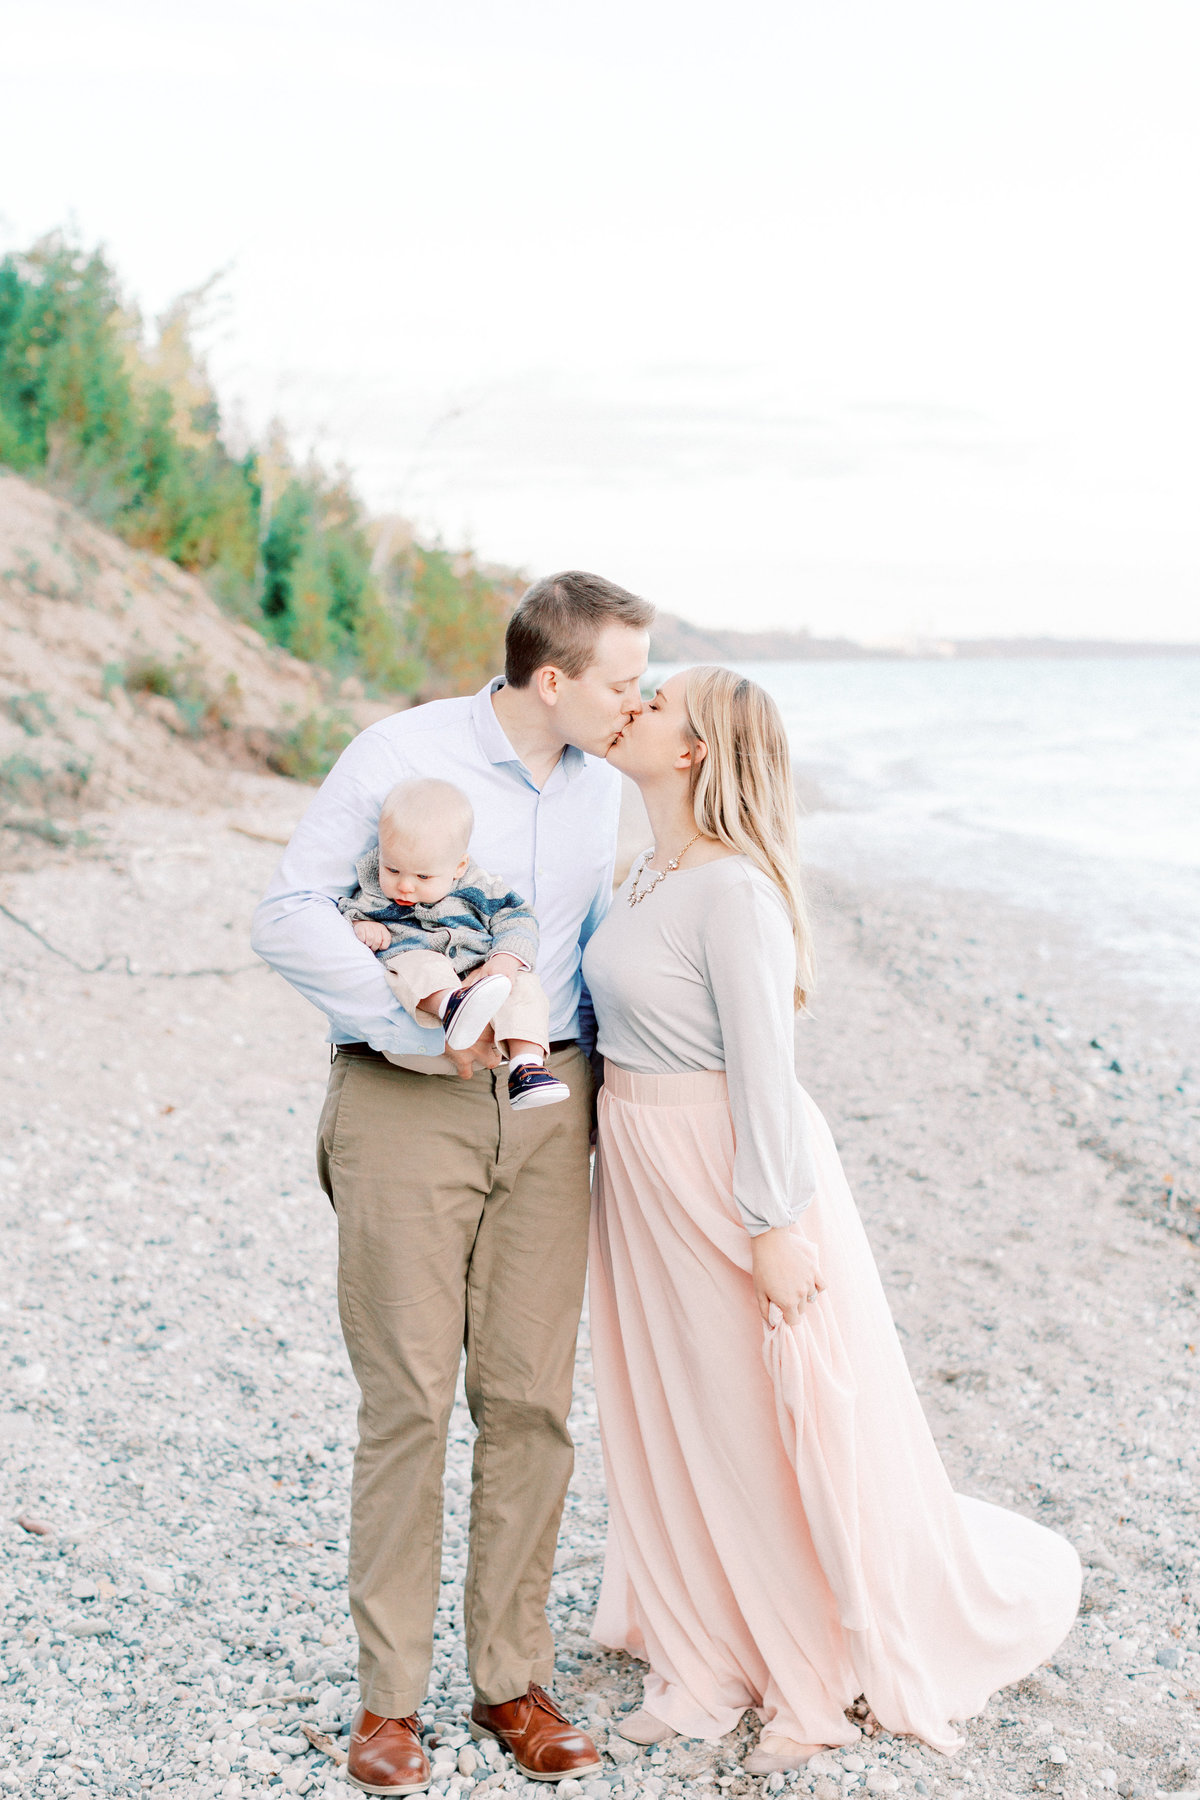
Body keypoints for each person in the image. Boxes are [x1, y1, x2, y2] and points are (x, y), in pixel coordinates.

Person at [581, 664, 1081, 1775]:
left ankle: (806, 1681)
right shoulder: (642, 874)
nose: (633, 707)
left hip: (725, 1174)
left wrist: (773, 1225)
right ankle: (703, 1659)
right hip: (641, 1174)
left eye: (656, 702)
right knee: (672, 1415)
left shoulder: (734, 892)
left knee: (756, 1422)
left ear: (698, 747)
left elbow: (766, 1072)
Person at [250, 571, 653, 1796]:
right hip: (403, 1105)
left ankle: (511, 1680)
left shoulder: (609, 790)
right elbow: (287, 913)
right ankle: (388, 1705)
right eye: (623, 684)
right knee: (410, 1402)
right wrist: (417, 1021)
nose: (639, 706)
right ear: (553, 679)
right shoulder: (400, 752)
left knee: (529, 1403)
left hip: (552, 1105)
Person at [339, 775, 570, 1110]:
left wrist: (505, 961)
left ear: (458, 866)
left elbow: (518, 917)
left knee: (524, 986)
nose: (404, 886)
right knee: (420, 964)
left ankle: (527, 1066)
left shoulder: (479, 886)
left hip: (481, 997)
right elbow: (346, 907)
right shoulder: (375, 884)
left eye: (422, 877)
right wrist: (361, 924)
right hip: (424, 1033)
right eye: (393, 869)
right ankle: (452, 1005)